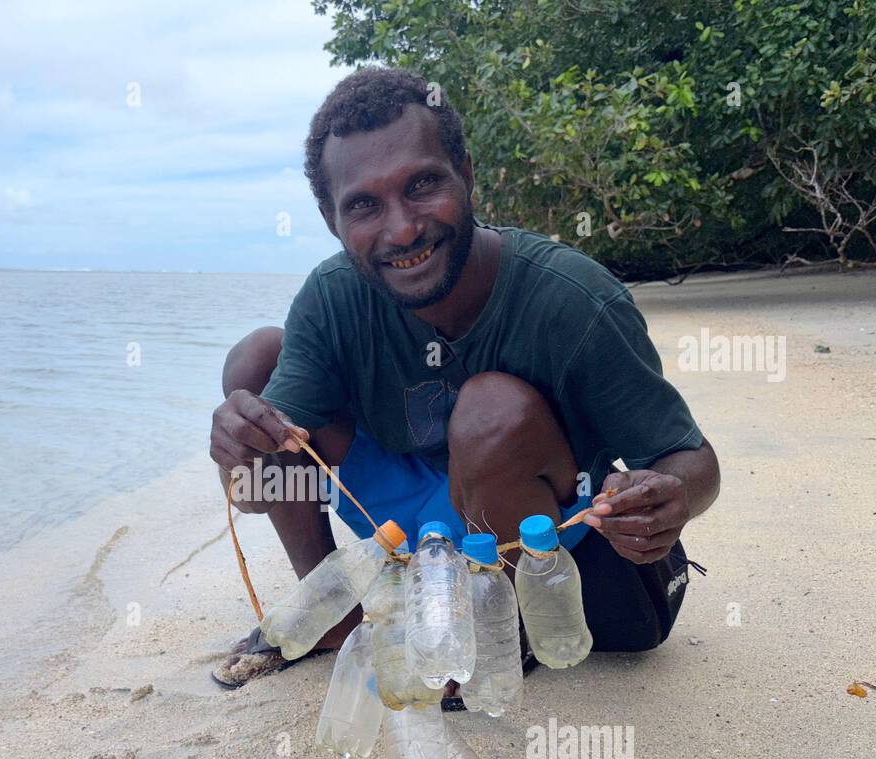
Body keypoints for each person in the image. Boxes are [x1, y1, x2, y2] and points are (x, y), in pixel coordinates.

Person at [208, 67, 720, 697]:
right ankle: (332, 617)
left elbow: (692, 460)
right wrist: (240, 457)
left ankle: (496, 634)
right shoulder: (331, 298)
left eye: (423, 185)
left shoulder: (572, 299)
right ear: (329, 218)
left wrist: (669, 500)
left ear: (467, 175)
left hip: (535, 530)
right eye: (364, 205)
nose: (401, 230)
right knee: (254, 365)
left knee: (489, 410)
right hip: (409, 523)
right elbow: (261, 491)